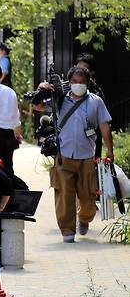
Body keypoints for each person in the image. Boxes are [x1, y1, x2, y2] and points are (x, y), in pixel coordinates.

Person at [42, 66, 114, 242]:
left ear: (87, 83)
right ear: (69, 82)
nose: (78, 85)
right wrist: (43, 89)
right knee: (64, 195)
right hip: (64, 155)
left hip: (87, 157)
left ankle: (84, 217)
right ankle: (67, 230)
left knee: (88, 197)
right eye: (74, 82)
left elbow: (105, 125)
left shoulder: (96, 101)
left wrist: (109, 150)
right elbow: (38, 106)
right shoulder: (59, 99)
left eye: (81, 82)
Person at [75, 53, 107, 159]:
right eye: (77, 68)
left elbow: (101, 126)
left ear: (91, 73)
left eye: (83, 69)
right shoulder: (68, 90)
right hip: (69, 153)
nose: (79, 72)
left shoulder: (97, 94)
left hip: (90, 150)